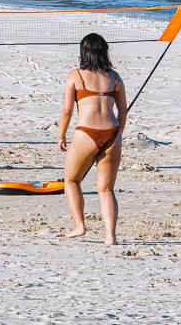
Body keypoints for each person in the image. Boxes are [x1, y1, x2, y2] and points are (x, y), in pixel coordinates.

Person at [58, 33, 128, 245]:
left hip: (86, 132)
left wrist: (61, 135)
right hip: (112, 133)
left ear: (84, 52)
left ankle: (80, 226)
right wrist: (118, 134)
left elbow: (67, 110)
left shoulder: (76, 75)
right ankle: (110, 236)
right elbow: (122, 111)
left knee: (71, 180)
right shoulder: (114, 77)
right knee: (106, 189)